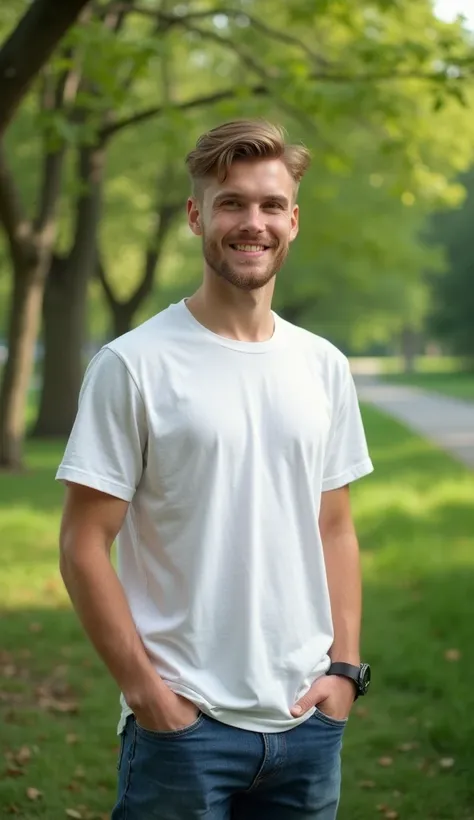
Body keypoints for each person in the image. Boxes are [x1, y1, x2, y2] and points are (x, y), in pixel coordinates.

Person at [57, 119, 374, 820]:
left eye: (269, 205)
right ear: (197, 215)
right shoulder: (132, 366)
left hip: (308, 725)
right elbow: (83, 544)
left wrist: (344, 674)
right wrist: (147, 694)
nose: (251, 222)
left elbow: (335, 524)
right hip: (183, 729)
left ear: (293, 220)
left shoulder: (323, 366)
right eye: (231, 203)